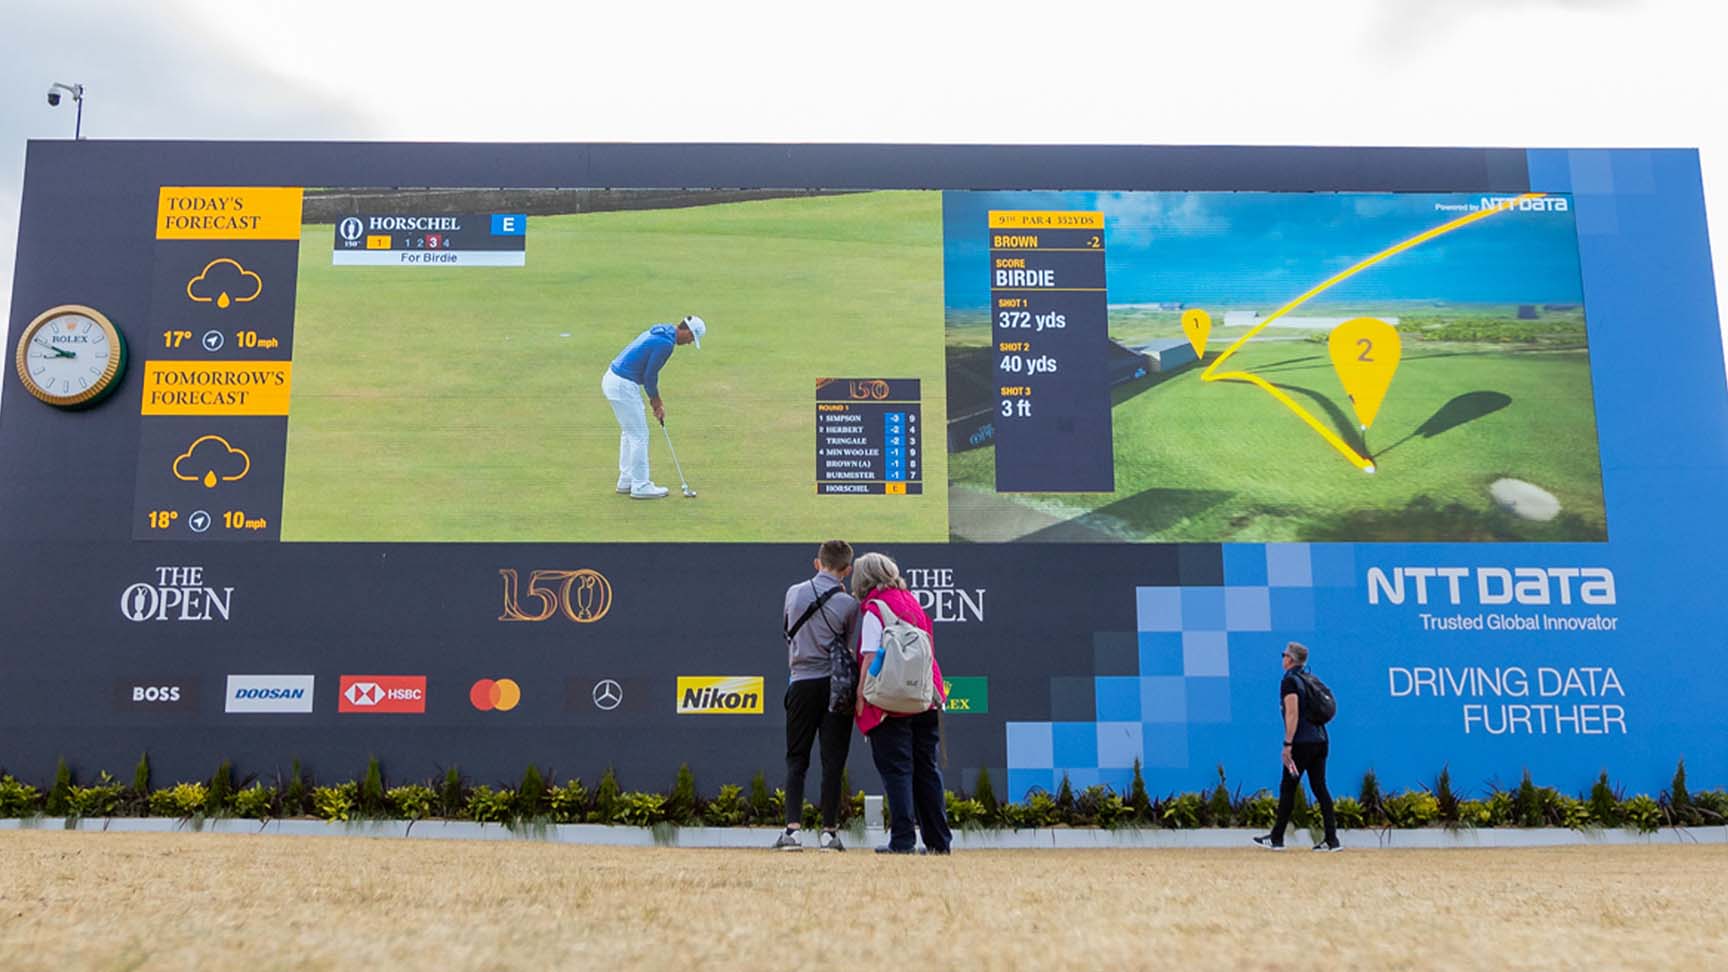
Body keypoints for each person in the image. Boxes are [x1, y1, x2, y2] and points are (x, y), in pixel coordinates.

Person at [851, 552, 951, 855]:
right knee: (927, 770)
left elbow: (870, 656)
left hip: (890, 702)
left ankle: (903, 841)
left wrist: (860, 696)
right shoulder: (912, 601)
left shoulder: (874, 609)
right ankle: (939, 842)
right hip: (924, 698)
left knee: (897, 771)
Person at [773, 540, 860, 852]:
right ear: (847, 570)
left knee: (797, 758)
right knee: (833, 761)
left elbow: (788, 633)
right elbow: (846, 645)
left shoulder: (794, 592)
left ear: (817, 563)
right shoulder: (849, 604)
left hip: (801, 682)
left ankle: (792, 831)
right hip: (836, 687)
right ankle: (829, 833)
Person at [601, 315, 706, 499]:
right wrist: (656, 402)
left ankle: (626, 480)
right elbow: (650, 376)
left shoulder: (663, 331)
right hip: (622, 384)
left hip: (613, 379)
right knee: (639, 435)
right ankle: (640, 485)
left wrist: (654, 401)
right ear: (687, 331)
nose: (690, 342)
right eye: (691, 338)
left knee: (630, 433)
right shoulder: (666, 344)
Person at [1254, 641, 1340, 851]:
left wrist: (1288, 744)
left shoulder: (1290, 682)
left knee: (1288, 788)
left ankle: (1276, 838)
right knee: (1320, 788)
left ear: (1290, 659)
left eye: (1284, 655)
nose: (1282, 658)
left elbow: (1292, 714)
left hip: (1301, 744)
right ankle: (1332, 840)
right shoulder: (1310, 679)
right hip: (1321, 740)